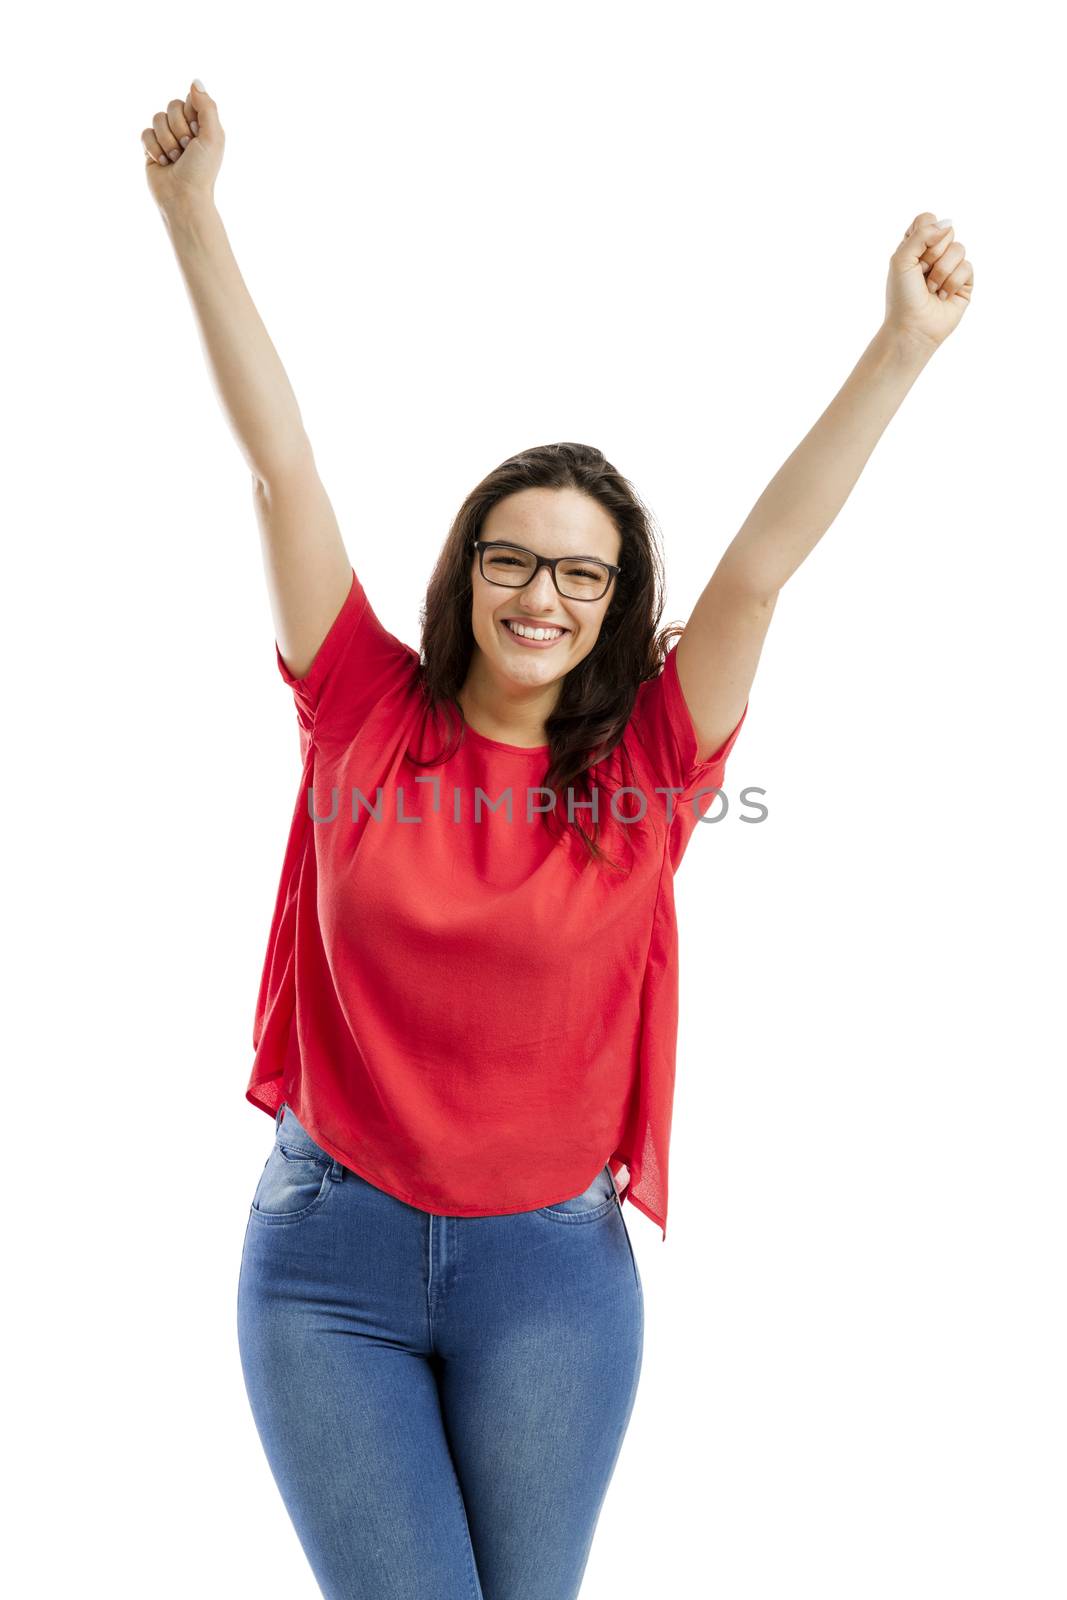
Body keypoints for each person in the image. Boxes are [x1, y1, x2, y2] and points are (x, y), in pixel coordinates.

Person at [144, 77, 973, 1600]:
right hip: (327, 1262)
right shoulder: (360, 713)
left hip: (551, 1281)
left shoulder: (648, 768)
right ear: (466, 572)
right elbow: (283, 469)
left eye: (583, 577)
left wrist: (902, 347)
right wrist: (194, 218)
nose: (543, 596)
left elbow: (760, 571)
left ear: (614, 605)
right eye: (513, 559)